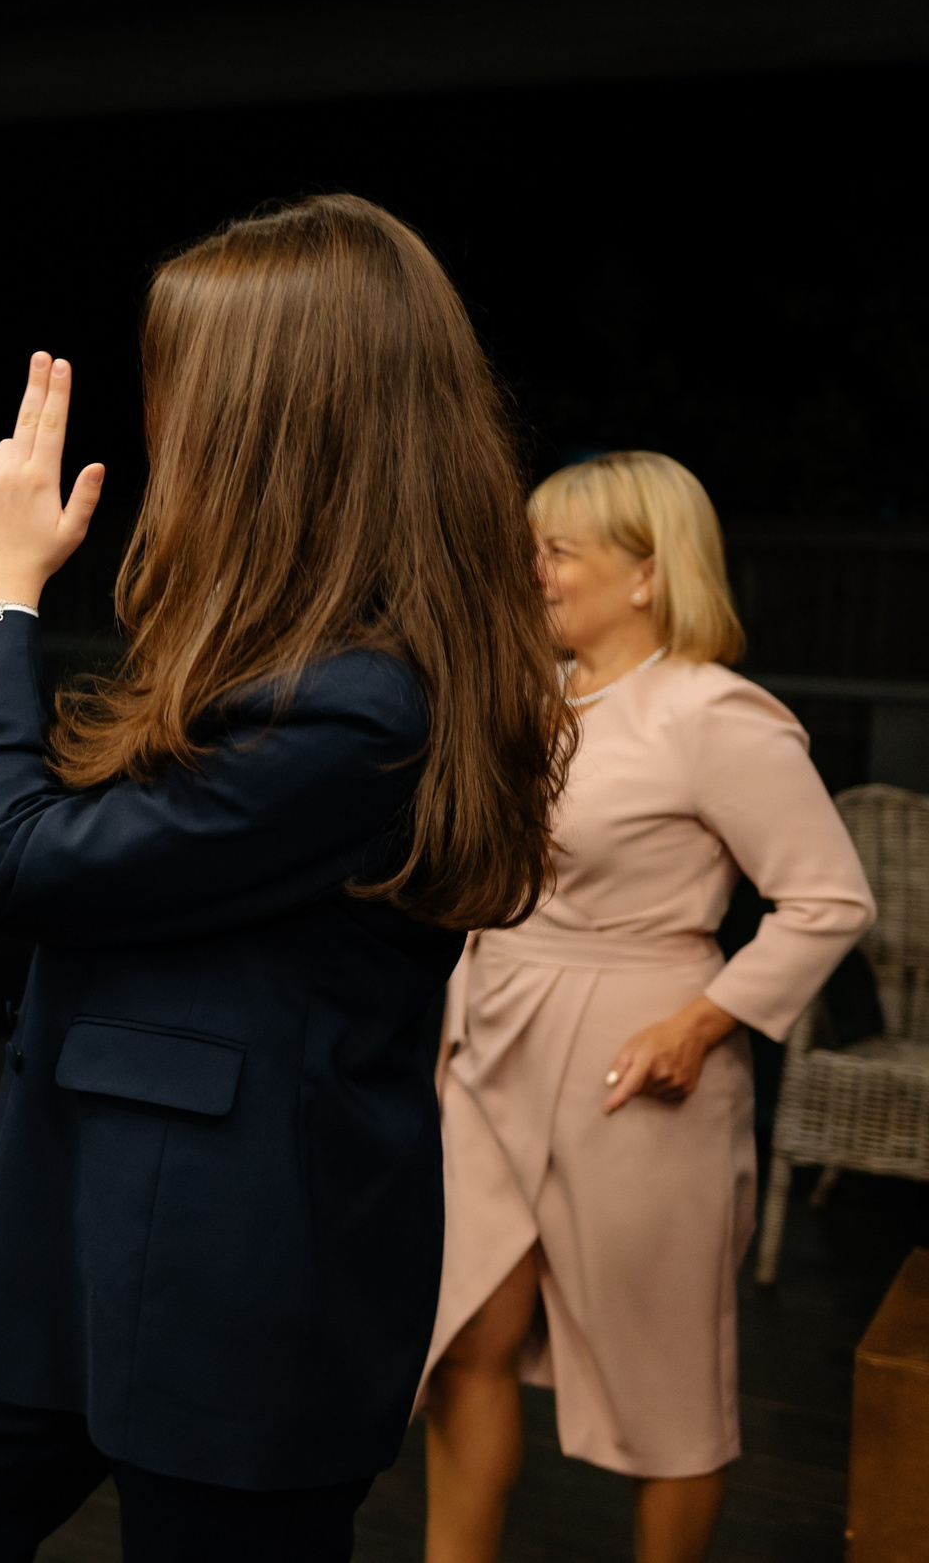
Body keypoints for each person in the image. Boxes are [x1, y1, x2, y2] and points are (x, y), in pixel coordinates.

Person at [0, 194, 569, 1562]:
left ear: (275, 419)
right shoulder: (278, 652)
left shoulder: (361, 702)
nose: (163, 419)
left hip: (236, 1273)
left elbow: (8, 857)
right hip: (69, 1221)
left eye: (182, 383)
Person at [419, 451, 873, 1563]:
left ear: (647, 574)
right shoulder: (532, 703)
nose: (532, 570)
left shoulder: (714, 714)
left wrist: (699, 1024)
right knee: (466, 1337)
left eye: (557, 550)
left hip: (637, 1060)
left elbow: (830, 898)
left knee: (668, 1383)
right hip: (488, 1042)